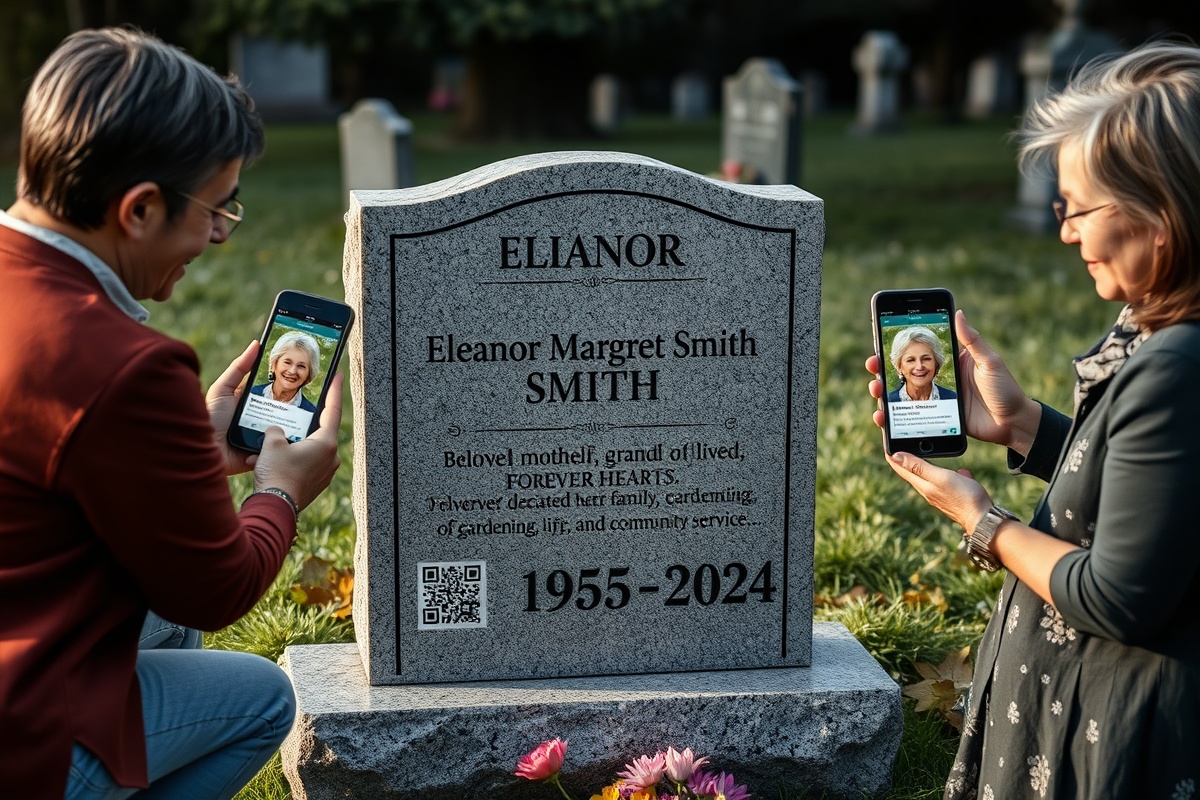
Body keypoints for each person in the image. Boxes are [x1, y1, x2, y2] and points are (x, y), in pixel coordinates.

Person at [0, 26, 343, 800]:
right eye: (217, 209)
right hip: (22, 729)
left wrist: (177, 458)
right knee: (263, 697)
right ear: (142, 209)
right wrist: (280, 493)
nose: (222, 233)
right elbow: (213, 591)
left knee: (160, 628)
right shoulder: (122, 362)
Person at [866, 40, 1200, 798]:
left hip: (1123, 731)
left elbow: (1119, 595)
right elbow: (1162, 500)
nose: (1065, 232)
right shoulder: (1161, 333)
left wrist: (982, 521)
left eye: (1079, 208)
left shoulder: (1179, 367)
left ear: (1160, 217)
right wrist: (1023, 427)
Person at [251, 331, 321, 412]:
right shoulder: (250, 395)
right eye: (287, 362)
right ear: (274, 364)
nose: (292, 371)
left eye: (301, 366)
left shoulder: (311, 412)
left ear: (309, 374)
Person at [886, 326, 957, 402]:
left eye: (926, 359)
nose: (919, 367)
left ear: (936, 363)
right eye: (911, 360)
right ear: (899, 366)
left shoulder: (953, 398)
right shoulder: (889, 401)